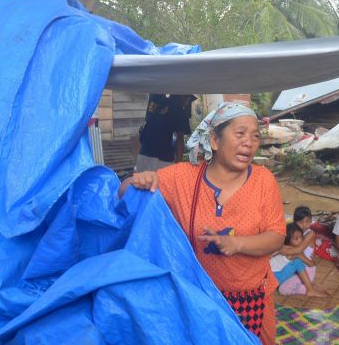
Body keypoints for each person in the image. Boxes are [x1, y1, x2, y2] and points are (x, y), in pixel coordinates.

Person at [119, 102, 285, 344]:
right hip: (199, 297)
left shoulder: (263, 181)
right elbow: (124, 192)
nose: (249, 143)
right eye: (240, 134)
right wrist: (139, 180)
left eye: (255, 136)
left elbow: (277, 236)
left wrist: (237, 243)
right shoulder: (183, 177)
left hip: (252, 298)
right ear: (215, 141)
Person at [135, 93, 197, 172]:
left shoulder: (154, 99)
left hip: (144, 154)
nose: (187, 103)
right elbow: (180, 141)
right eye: (187, 99)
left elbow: (146, 125)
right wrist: (178, 166)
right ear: (182, 95)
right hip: (163, 158)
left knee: (142, 182)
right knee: (160, 183)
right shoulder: (179, 110)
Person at [270, 223, 328, 297]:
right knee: (297, 262)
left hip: (272, 277)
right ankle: (310, 289)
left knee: (297, 265)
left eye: (301, 237)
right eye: (296, 238)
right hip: (274, 277)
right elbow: (311, 264)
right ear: (288, 241)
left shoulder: (284, 247)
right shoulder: (291, 251)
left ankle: (310, 287)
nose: (300, 240)